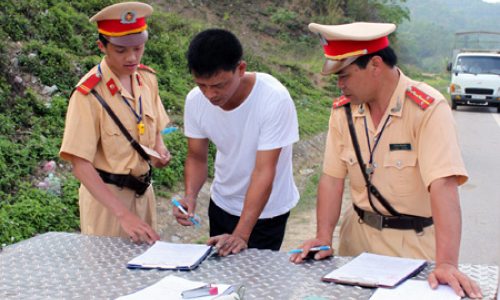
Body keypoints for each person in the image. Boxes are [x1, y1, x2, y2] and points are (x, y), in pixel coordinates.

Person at [290, 22, 482, 299]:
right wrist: (323, 236)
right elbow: (332, 178)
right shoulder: (343, 113)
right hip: (354, 245)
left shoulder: (427, 109)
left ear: (376, 65)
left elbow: (443, 185)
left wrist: (447, 264)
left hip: (412, 249)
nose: (339, 84)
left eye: (344, 75)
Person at [173, 29, 300, 256]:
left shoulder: (273, 99)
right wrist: (190, 195)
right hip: (222, 203)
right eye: (202, 85)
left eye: (219, 86)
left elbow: (264, 171)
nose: (210, 95)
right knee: (221, 283)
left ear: (240, 69)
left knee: (253, 284)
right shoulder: (195, 101)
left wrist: (241, 234)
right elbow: (196, 157)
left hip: (266, 212)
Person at [59, 2, 171, 245]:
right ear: (102, 46)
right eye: (121, 51)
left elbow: (155, 129)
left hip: (144, 195)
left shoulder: (147, 79)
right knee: (105, 277)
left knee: (145, 271)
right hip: (108, 205)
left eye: (138, 49)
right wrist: (123, 215)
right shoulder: (88, 94)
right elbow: (80, 164)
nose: (131, 57)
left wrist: (160, 150)